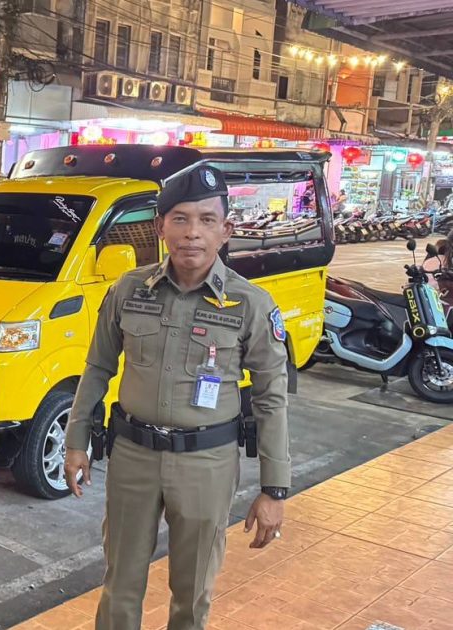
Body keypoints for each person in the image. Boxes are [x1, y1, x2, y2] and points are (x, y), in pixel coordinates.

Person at [63, 165, 289, 630]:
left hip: (206, 464)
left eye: (207, 220)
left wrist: (274, 489)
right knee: (119, 583)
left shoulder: (250, 304)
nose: (192, 233)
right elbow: (98, 368)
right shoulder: (128, 290)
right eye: (180, 219)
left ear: (226, 230)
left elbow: (271, 398)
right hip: (133, 458)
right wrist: (75, 441)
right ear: (160, 226)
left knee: (192, 592)